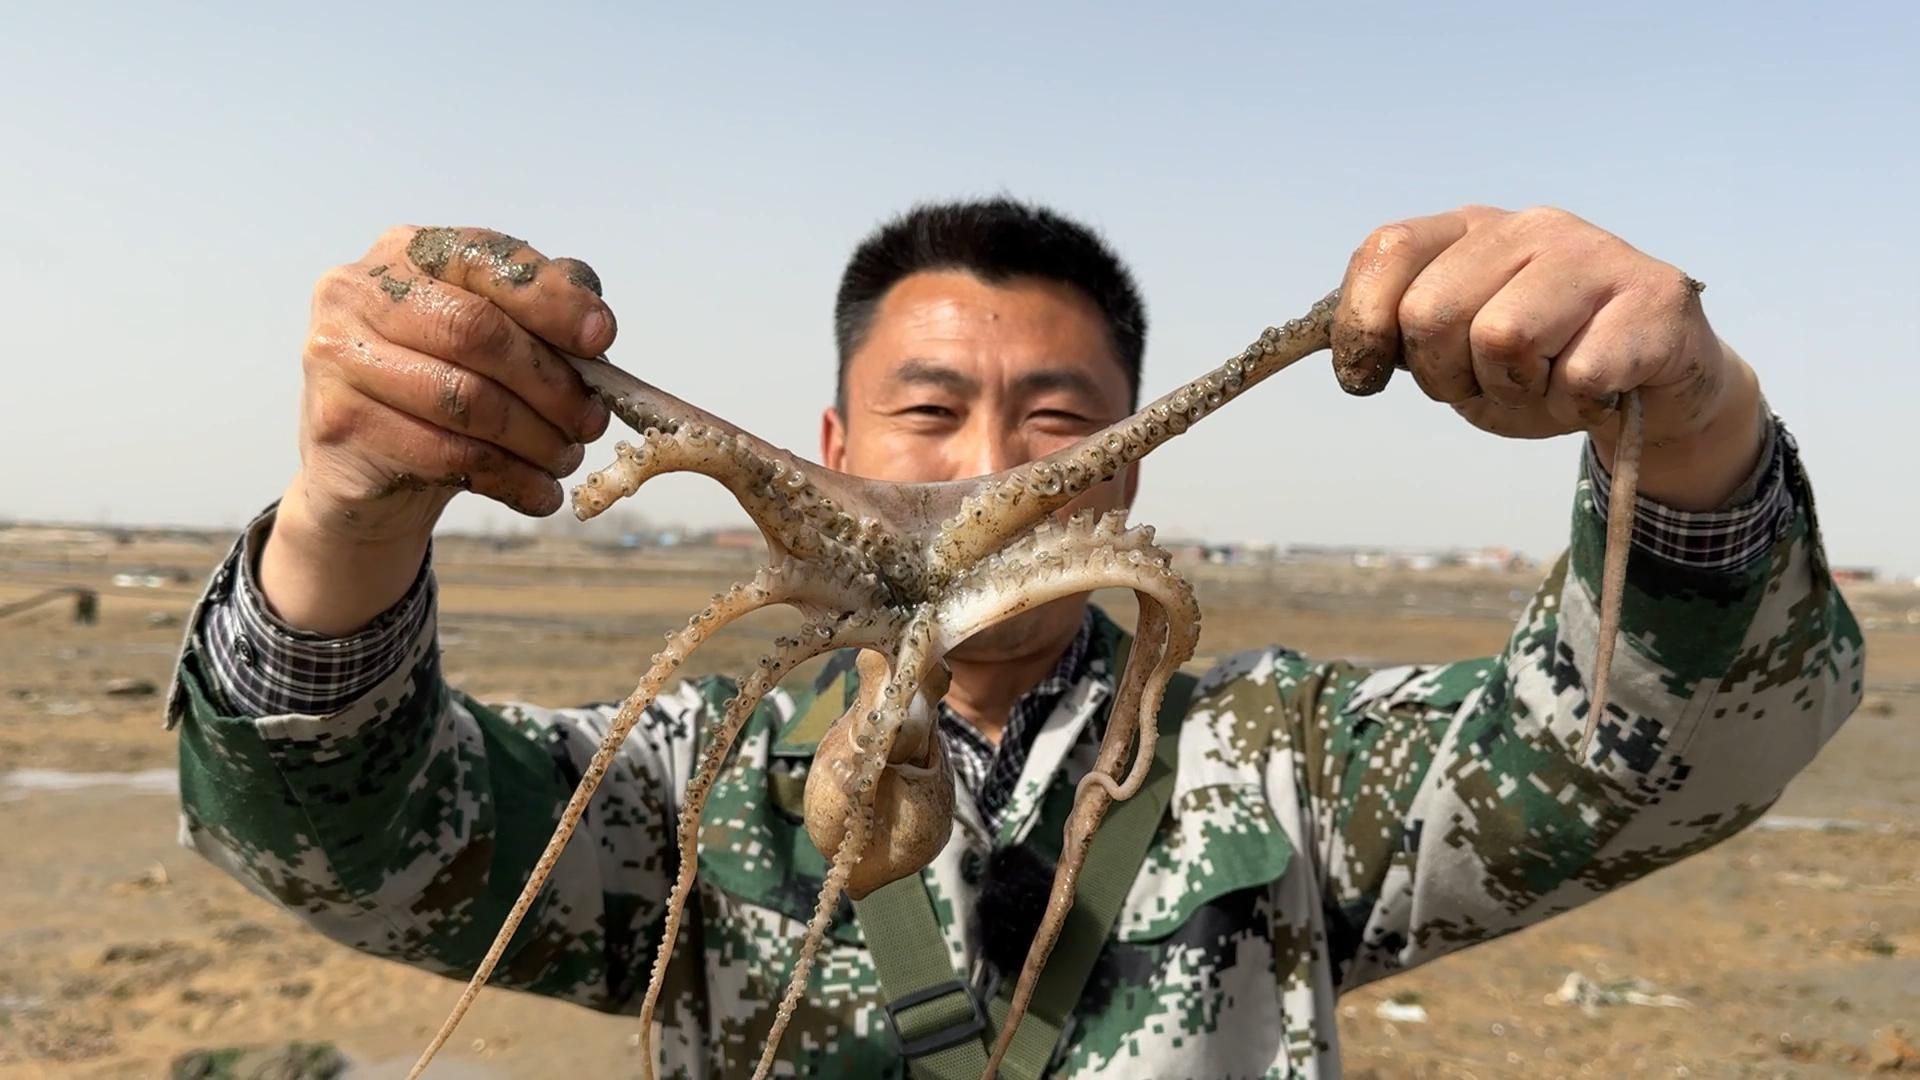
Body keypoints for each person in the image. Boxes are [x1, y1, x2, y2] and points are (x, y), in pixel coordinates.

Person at [161, 198, 1864, 1078]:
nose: (987, 470)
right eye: (927, 411)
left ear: (1138, 452)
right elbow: (347, 836)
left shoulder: (1277, 768)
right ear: (828, 452)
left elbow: (1667, 753)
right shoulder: (690, 784)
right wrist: (353, 510)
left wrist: (1693, 423)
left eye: (1060, 422)